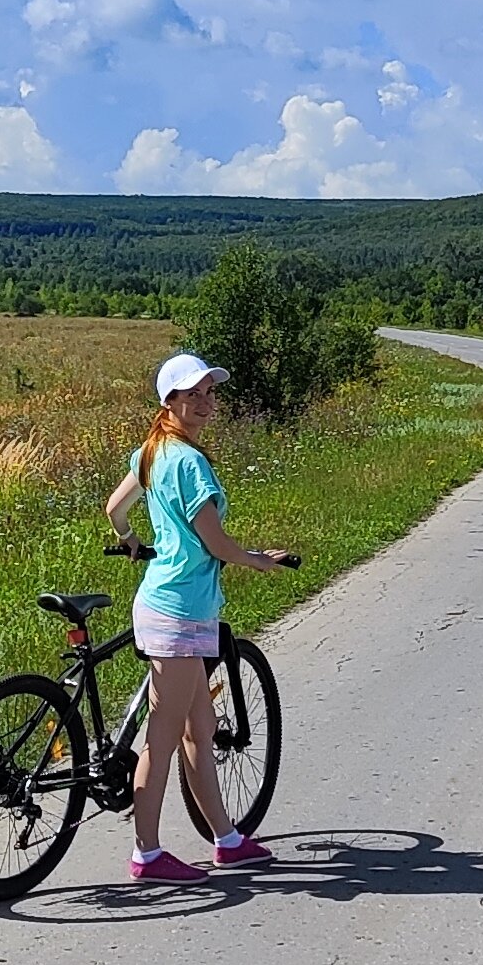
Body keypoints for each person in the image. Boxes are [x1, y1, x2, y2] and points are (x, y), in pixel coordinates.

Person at [103, 350, 296, 883]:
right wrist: (256, 559)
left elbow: (115, 510)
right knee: (163, 735)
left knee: (199, 727)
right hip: (180, 610)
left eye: (210, 392)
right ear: (170, 400)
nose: (205, 402)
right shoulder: (188, 462)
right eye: (193, 393)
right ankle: (147, 853)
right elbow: (212, 538)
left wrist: (133, 542)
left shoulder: (151, 452)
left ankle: (227, 839)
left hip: (174, 602)